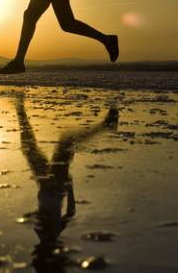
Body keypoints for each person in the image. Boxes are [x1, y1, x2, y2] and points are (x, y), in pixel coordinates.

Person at [12, 92, 118, 270]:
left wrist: (68, 188)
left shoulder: (50, 235)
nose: (33, 251)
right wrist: (68, 187)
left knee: (32, 147)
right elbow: (65, 213)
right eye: (36, 255)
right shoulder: (48, 236)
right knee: (63, 143)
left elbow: (70, 213)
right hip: (52, 186)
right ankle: (107, 125)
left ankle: (20, 107)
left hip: (48, 185)